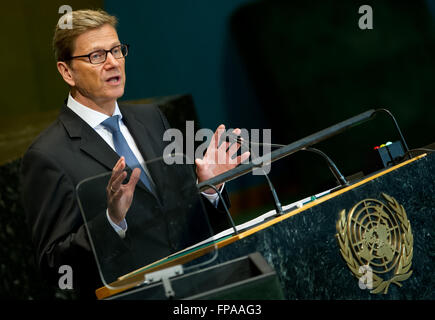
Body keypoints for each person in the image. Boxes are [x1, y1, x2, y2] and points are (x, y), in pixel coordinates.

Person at [20, 9, 249, 299]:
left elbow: (179, 219)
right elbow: (55, 267)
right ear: (67, 72)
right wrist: (111, 221)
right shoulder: (46, 156)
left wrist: (208, 190)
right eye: (96, 56)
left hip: (197, 288)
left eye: (117, 50)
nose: (113, 62)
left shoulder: (152, 118)